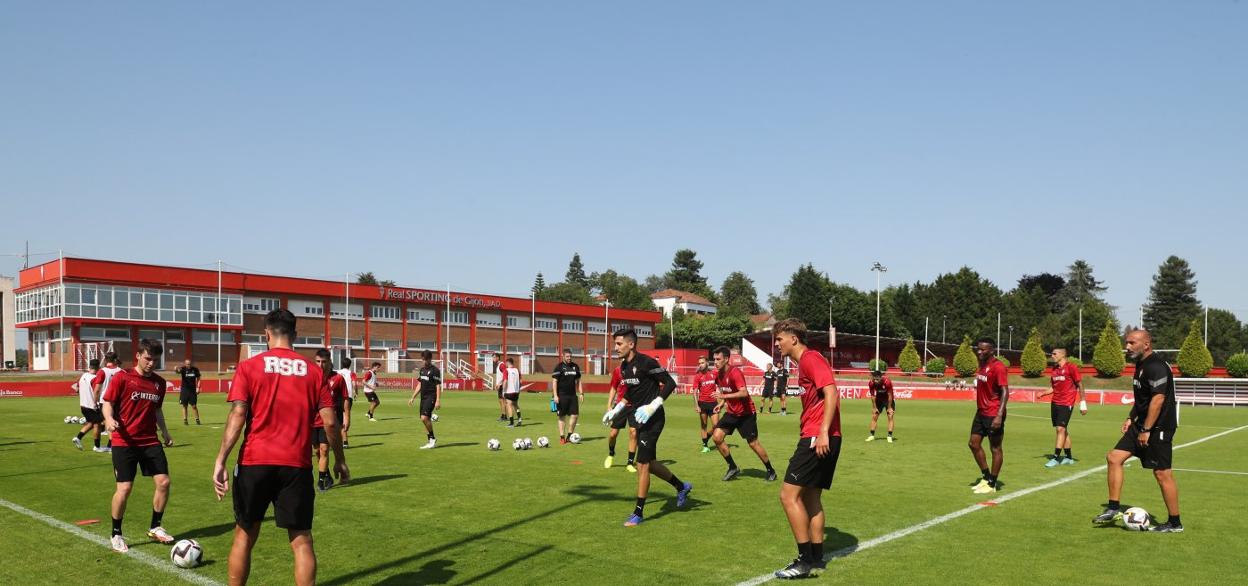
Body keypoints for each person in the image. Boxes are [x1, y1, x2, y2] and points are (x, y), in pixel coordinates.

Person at [213, 309, 348, 585]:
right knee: (301, 540)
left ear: (266, 333)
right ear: (295, 335)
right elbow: (331, 422)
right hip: (296, 465)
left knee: (244, 534)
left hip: (255, 461)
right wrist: (339, 460)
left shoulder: (250, 366)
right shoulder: (313, 370)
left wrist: (221, 460)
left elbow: (238, 414)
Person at [771, 319, 841, 579]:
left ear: (794, 339)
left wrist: (822, 432)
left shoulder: (811, 359)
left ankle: (803, 561)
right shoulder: (805, 363)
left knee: (788, 496)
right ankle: (817, 557)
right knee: (811, 498)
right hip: (823, 435)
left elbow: (832, 392)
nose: (777, 344)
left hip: (817, 436)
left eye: (780, 339)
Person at [1093, 329, 1182, 532]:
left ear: (1146, 344)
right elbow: (1143, 399)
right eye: (1127, 342)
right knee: (1114, 458)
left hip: (1158, 427)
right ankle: (1113, 508)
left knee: (1162, 473)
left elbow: (1157, 400)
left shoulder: (1156, 366)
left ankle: (1175, 523)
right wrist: (1130, 417)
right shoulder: (1140, 365)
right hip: (1141, 424)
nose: (1127, 347)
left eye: (1132, 343)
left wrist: (1147, 429)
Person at [602, 329, 691, 526]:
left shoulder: (646, 362)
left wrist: (654, 405)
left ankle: (638, 513)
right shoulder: (624, 367)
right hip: (639, 419)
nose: (615, 348)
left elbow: (670, 383)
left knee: (642, 464)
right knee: (649, 463)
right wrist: (616, 409)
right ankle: (681, 486)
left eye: (619, 344)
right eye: (615, 344)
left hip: (654, 419)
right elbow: (631, 395)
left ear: (631, 344)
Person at [101, 339, 176, 553]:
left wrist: (166, 432)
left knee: (164, 482)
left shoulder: (159, 383)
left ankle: (155, 527)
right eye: (148, 358)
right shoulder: (122, 377)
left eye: (155, 359)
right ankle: (116, 533)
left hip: (150, 440)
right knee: (124, 488)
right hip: (124, 441)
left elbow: (157, 411)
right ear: (138, 355)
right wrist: (108, 419)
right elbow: (108, 403)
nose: (151, 363)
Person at [710, 346, 776, 481]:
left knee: (753, 444)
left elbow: (744, 392)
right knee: (717, 437)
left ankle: (771, 470)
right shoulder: (718, 374)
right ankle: (732, 467)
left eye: (718, 359)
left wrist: (723, 397)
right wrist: (721, 404)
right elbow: (725, 391)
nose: (715, 362)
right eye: (714, 359)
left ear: (726, 359)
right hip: (731, 413)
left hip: (746, 413)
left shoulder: (735, 373)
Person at [968, 338, 1009, 495]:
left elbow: (1005, 391)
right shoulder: (983, 364)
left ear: (992, 350)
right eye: (978, 349)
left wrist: (999, 416)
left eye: (983, 350)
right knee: (973, 444)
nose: (979, 352)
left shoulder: (998, 367)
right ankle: (986, 477)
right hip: (981, 412)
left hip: (993, 413)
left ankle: (992, 483)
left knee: (995, 448)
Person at [1037, 348, 1086, 467]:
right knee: (1063, 430)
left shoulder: (1071, 367)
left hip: (1066, 403)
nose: (1052, 355)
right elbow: (1053, 388)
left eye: (1054, 354)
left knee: (1060, 429)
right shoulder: (1054, 369)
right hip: (1055, 403)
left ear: (1063, 355)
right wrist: (1042, 393)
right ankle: (1069, 458)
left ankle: (1055, 458)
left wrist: (1083, 402)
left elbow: (1080, 384)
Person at [311, 349, 348, 492]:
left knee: (324, 449)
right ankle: (326, 474)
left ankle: (321, 480)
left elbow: (345, 399)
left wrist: (347, 417)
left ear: (330, 362)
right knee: (317, 451)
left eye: (324, 362)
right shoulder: (311, 378)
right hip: (312, 421)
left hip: (328, 422)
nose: (320, 365)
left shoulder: (338, 378)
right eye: (318, 361)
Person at [603, 364, 638, 472]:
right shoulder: (617, 370)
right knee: (613, 434)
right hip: (620, 406)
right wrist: (609, 405)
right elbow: (613, 388)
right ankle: (611, 454)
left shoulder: (637, 369)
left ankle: (630, 462)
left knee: (633, 433)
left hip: (634, 406)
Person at [407, 350, 442, 449]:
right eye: (423, 359)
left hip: (431, 396)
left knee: (424, 418)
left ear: (430, 359)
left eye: (425, 359)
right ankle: (430, 441)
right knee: (424, 420)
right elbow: (420, 384)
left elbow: (438, 386)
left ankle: (433, 439)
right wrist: (413, 397)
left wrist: (438, 400)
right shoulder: (422, 370)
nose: (424, 361)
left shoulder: (435, 370)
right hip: (423, 397)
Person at [72, 359, 106, 452]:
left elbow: (75, 387)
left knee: (91, 423)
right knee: (97, 425)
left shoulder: (83, 375)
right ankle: (97, 447)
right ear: (98, 367)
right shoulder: (94, 378)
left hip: (83, 405)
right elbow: (97, 391)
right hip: (92, 405)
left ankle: (78, 438)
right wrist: (96, 403)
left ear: (90, 366)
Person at [551, 349, 584, 444]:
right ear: (563, 356)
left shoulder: (575, 367)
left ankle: (569, 436)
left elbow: (579, 381)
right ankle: (562, 437)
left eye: (570, 356)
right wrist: (555, 395)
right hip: (561, 396)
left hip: (573, 396)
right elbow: (554, 382)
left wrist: (581, 393)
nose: (569, 358)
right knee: (562, 416)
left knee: (575, 415)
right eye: (567, 356)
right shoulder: (559, 367)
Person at [691, 356, 719, 453]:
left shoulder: (714, 373)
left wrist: (721, 395)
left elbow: (721, 385)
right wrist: (696, 405)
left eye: (702, 363)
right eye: (699, 363)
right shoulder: (697, 376)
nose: (700, 365)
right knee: (704, 425)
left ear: (707, 363)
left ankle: (706, 438)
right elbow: (694, 392)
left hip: (713, 403)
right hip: (702, 404)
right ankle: (705, 445)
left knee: (716, 425)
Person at [865, 370, 896, 443]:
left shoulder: (887, 382)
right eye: (874, 379)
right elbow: (872, 396)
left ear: (881, 377)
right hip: (879, 400)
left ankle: (889, 436)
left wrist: (889, 407)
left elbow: (890, 395)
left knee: (890, 416)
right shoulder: (871, 383)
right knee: (874, 416)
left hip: (888, 400)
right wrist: (874, 407)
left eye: (877, 379)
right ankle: (871, 436)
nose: (875, 381)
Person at [175, 359, 202, 425]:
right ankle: (185, 420)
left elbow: (198, 378)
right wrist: (175, 369)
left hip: (192, 390)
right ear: (185, 364)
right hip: (184, 390)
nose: (188, 365)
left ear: (191, 364)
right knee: (184, 405)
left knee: (194, 406)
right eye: (187, 364)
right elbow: (178, 372)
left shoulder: (195, 369)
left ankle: (197, 420)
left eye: (189, 364)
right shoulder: (183, 369)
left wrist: (198, 387)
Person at [336, 358, 356, 447]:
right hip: (348, 397)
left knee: (338, 418)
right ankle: (345, 441)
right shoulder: (351, 373)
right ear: (350, 365)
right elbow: (354, 384)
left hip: (337, 397)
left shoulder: (337, 372)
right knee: (345, 417)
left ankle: (339, 440)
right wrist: (356, 392)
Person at [502, 357, 522, 427]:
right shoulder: (517, 370)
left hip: (509, 391)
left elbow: (505, 381)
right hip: (516, 391)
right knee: (516, 405)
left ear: (507, 363)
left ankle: (511, 423)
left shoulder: (506, 370)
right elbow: (520, 381)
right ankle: (519, 420)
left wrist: (503, 391)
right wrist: (518, 389)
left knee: (509, 405)